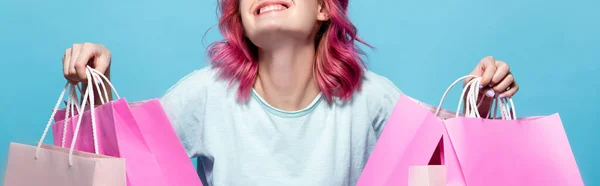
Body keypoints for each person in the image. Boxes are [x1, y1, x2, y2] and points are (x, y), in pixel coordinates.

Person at [60, 0, 519, 185]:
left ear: (324, 8)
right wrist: (93, 87)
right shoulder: (204, 95)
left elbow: (444, 159)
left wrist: (480, 101)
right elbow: (126, 161)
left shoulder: (371, 98)